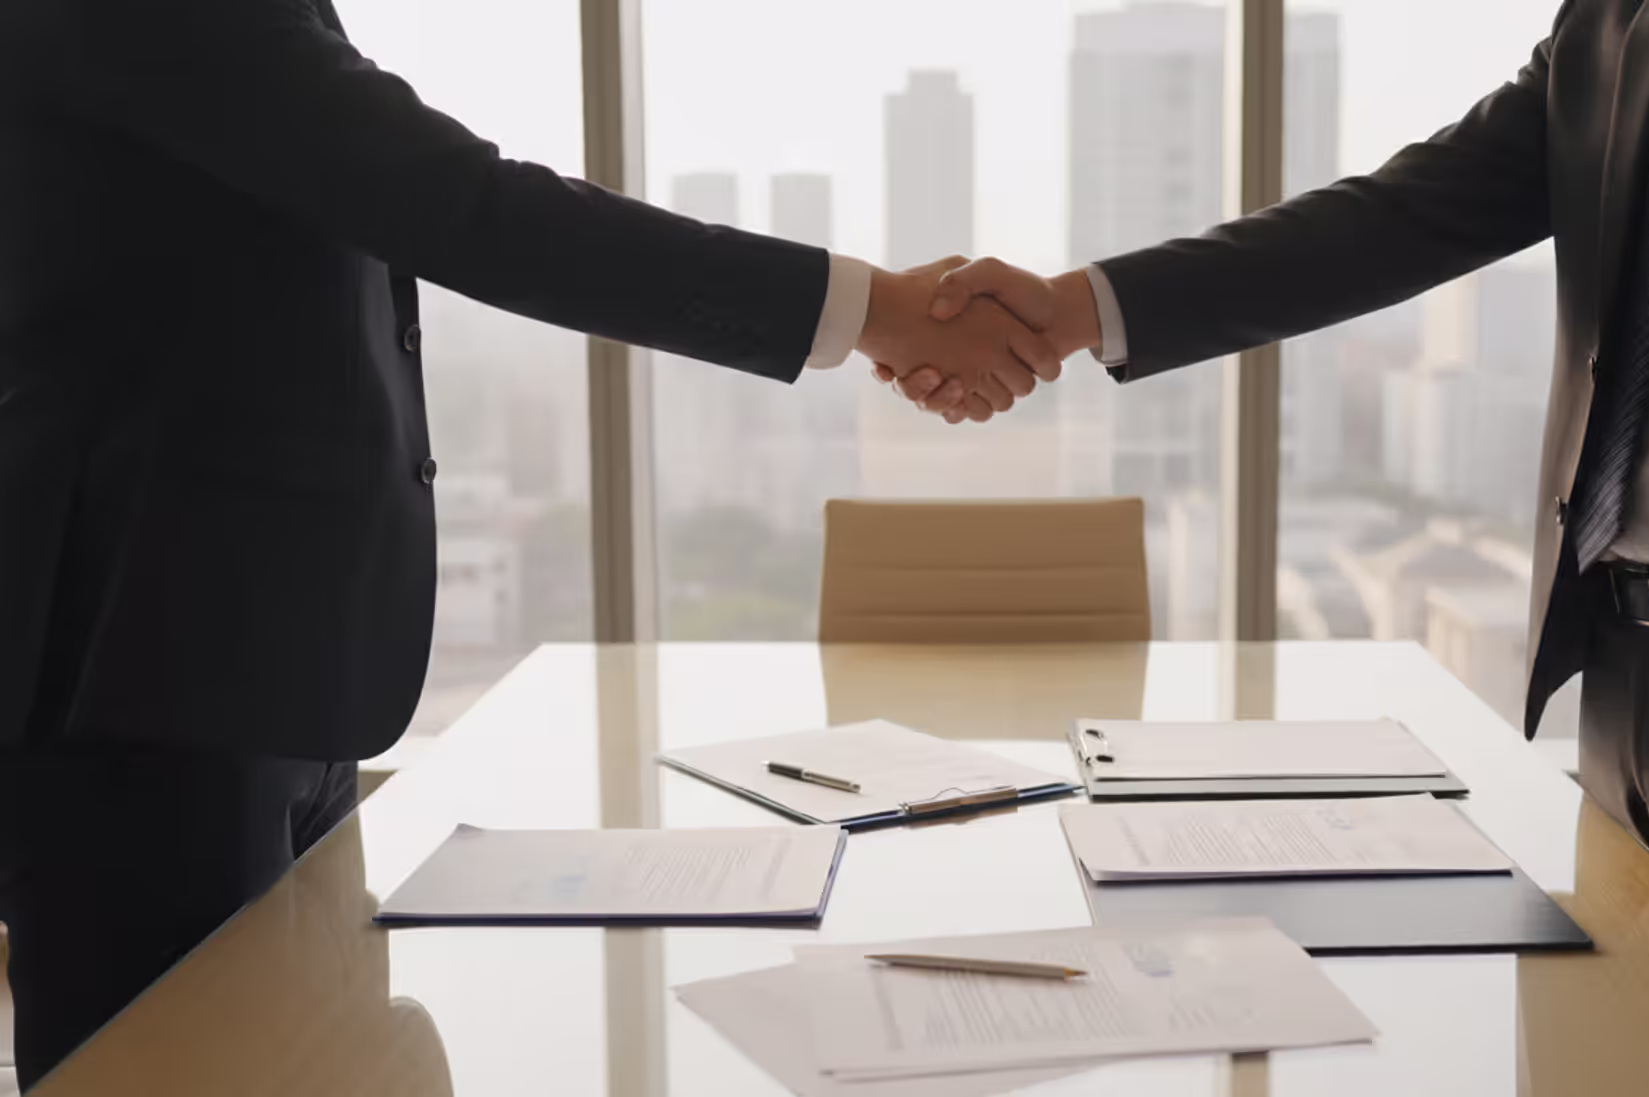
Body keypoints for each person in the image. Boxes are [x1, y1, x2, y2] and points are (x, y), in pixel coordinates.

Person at [0, 0, 1053, 1084]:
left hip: (258, 662)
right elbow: (462, 205)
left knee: (294, 1056)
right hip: (136, 676)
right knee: (152, 1067)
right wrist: (874, 308)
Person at [891, 0, 1649, 1068]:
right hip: (1617, 684)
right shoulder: (1619, 22)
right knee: (1598, 1063)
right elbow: (1397, 218)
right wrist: (1072, 308)